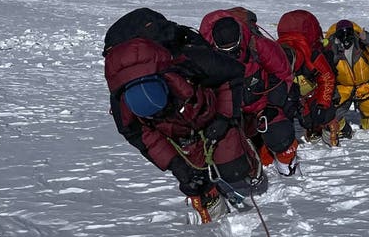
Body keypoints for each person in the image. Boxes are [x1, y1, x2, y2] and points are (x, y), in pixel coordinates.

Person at [104, 35, 262, 223]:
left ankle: (248, 159)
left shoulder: (189, 62)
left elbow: (233, 74)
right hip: (177, 132)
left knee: (234, 168)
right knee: (191, 178)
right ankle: (210, 202)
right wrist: (175, 163)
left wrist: (224, 118)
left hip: (210, 115)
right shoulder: (123, 109)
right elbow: (144, 138)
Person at [200, 8, 299, 176]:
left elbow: (282, 73)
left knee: (280, 133)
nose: (231, 53)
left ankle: (286, 162)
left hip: (261, 105)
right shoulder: (203, 55)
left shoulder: (258, 45)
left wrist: (273, 105)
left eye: (234, 48)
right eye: (225, 50)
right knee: (226, 155)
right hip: (227, 112)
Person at [276, 9, 338, 144]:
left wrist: (323, 105)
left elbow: (327, 78)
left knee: (324, 113)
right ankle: (312, 128)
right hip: (299, 94)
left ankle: (334, 129)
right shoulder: (274, 55)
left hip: (314, 89)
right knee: (306, 121)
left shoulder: (311, 55)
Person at [323, 19, 369, 131]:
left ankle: (367, 126)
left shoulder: (361, 44)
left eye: (348, 33)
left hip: (365, 84)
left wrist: (367, 38)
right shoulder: (331, 48)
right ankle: (340, 128)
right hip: (343, 86)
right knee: (333, 113)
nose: (346, 37)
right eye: (342, 34)